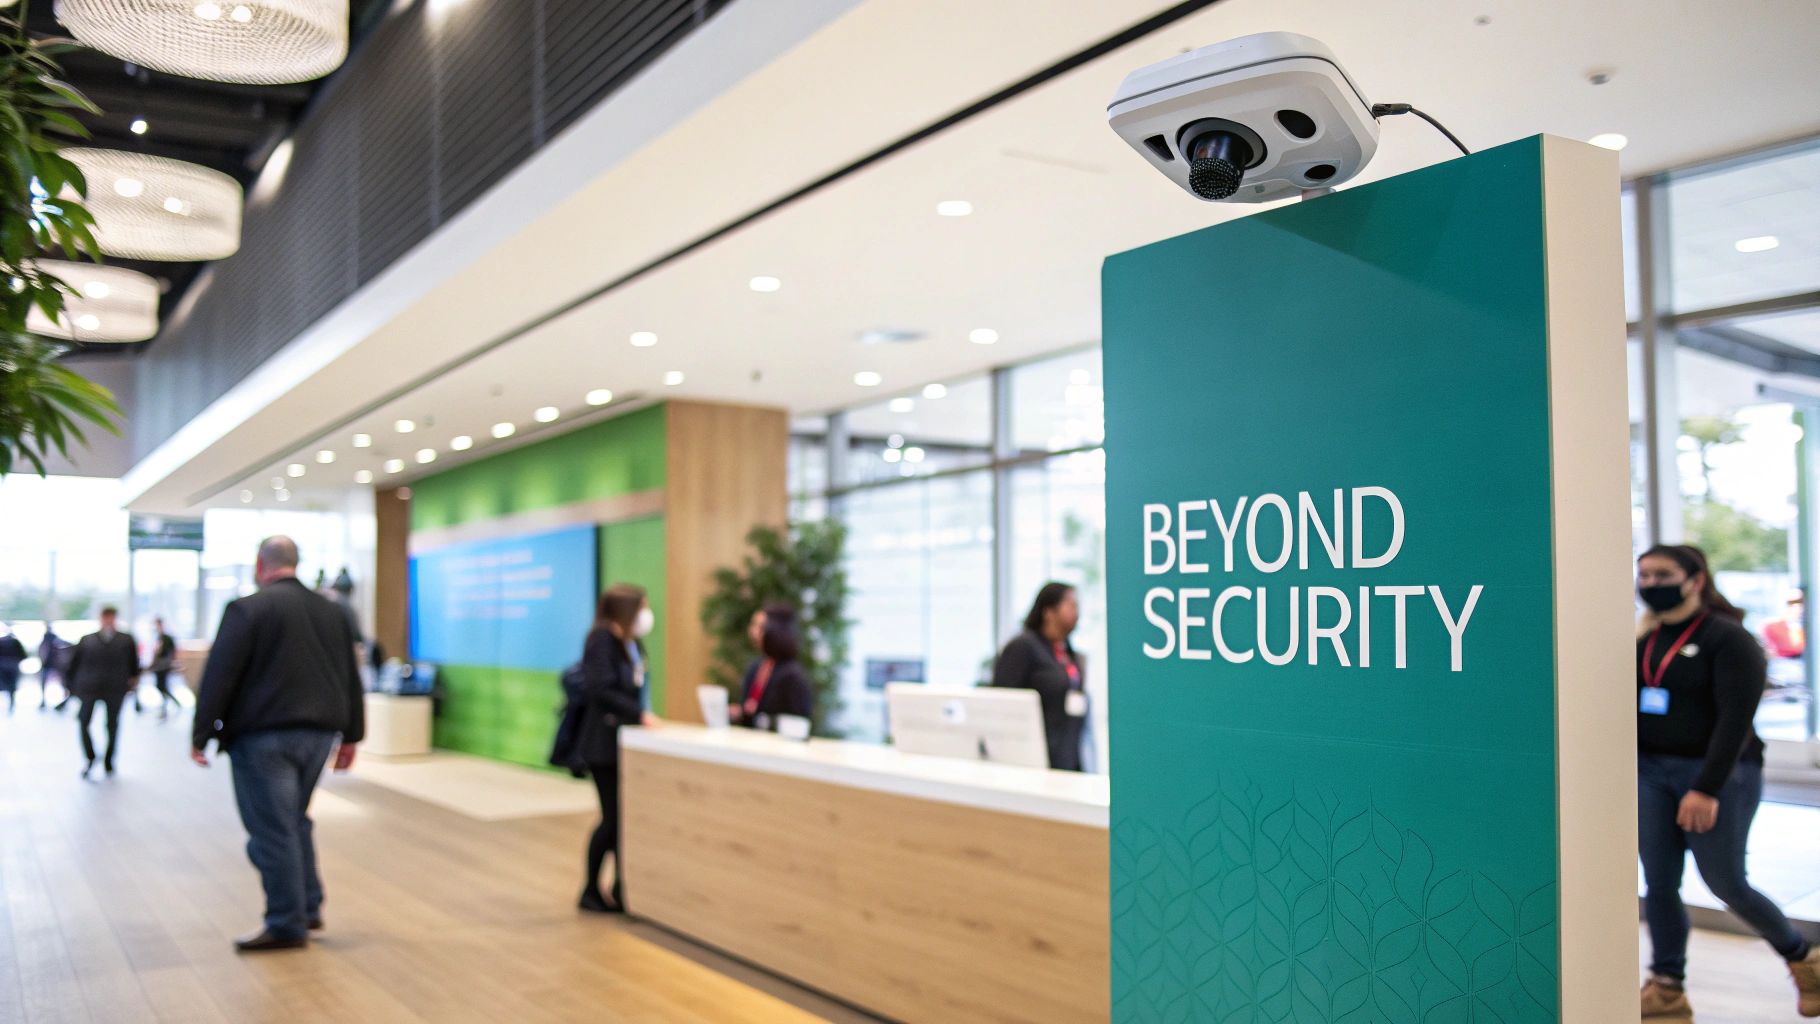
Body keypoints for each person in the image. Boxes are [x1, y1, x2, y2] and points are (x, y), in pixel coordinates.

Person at [1635, 544, 1820, 1019]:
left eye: (1663, 574)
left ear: (1695, 579)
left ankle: (1803, 957)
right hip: (1652, 772)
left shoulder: (1728, 638)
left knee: (1725, 882)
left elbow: (1736, 722)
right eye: (1645, 575)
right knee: (1658, 882)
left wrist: (1707, 788)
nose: (1652, 583)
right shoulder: (1644, 639)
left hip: (1717, 774)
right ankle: (1666, 987)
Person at [191, 536, 365, 953]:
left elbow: (221, 674)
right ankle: (306, 906)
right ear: (296, 563)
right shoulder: (333, 611)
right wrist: (353, 735)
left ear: (259, 565)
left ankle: (286, 922)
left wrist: (202, 732)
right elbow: (350, 673)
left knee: (271, 829)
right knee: (293, 819)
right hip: (318, 736)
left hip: (262, 738)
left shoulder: (247, 609)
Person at [568, 584, 658, 914]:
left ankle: (623, 887)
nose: (647, 615)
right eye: (643, 607)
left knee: (624, 818)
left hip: (627, 743)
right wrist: (639, 715)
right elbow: (600, 689)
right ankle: (591, 888)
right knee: (612, 817)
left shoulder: (630, 643)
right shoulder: (601, 641)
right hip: (602, 745)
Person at [991, 582, 1087, 771]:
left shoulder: (1068, 651)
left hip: (1068, 757)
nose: (1077, 612)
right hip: (1034, 761)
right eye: (1071, 605)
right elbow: (1001, 702)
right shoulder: (1023, 647)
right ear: (1049, 612)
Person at [66, 606, 140, 778]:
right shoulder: (87, 640)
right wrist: (70, 687)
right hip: (89, 688)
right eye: (105, 617)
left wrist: (132, 684)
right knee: (84, 721)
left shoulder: (126, 640)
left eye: (111, 617)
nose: (108, 620)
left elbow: (134, 665)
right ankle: (91, 757)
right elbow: (73, 664)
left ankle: (109, 760)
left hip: (115, 688)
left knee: (112, 725)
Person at [729, 604, 813, 732]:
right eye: (753, 625)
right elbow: (750, 710)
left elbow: (798, 720)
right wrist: (741, 713)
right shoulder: (756, 667)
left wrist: (758, 717)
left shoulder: (792, 675)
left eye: (760, 627)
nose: (753, 632)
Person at [141, 616, 180, 718]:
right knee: (160, 686)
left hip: (163, 666)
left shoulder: (166, 638)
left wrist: (169, 663)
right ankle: (167, 707)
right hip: (159, 666)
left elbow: (170, 653)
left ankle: (172, 705)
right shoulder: (159, 637)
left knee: (162, 686)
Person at [39, 623, 69, 711]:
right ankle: (44, 702)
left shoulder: (54, 639)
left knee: (63, 685)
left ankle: (62, 703)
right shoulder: (46, 639)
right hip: (48, 665)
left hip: (55, 665)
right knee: (45, 684)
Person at [0, 622, 24, 714]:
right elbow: (22, 655)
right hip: (12, 666)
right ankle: (11, 704)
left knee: (5, 686)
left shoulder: (2, 641)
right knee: (11, 687)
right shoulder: (15, 642)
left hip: (3, 666)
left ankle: (10, 704)